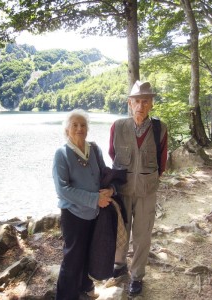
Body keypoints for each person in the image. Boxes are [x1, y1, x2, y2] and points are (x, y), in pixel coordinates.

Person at [109, 80, 168, 296]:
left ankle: (137, 275)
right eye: (136, 101)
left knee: (143, 235)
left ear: (151, 104)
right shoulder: (118, 126)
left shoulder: (160, 129)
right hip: (122, 189)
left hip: (146, 191)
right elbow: (112, 154)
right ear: (129, 103)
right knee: (121, 229)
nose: (140, 106)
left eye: (145, 101)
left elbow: (162, 162)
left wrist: (146, 178)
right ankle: (118, 265)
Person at [52, 109, 114, 300]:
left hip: (94, 214)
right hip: (73, 215)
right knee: (72, 258)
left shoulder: (94, 149)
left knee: (89, 253)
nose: (79, 128)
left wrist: (110, 190)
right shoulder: (62, 154)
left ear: (87, 129)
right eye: (75, 125)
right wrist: (95, 199)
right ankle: (65, 296)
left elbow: (104, 174)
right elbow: (62, 189)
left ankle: (85, 287)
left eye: (83, 125)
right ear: (67, 130)